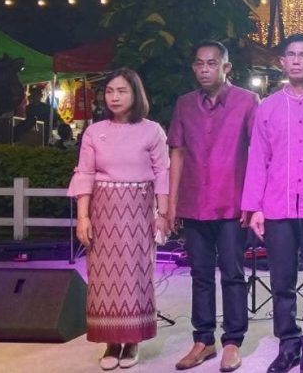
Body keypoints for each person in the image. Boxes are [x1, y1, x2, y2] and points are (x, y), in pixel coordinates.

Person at [243, 34, 303, 373]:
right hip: (277, 206)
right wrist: (254, 207)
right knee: (281, 279)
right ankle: (288, 344)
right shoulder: (267, 107)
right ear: (282, 62)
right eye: (291, 55)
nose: (297, 60)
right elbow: (258, 159)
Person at [68, 68, 170, 370]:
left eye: (122, 91)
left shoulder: (152, 130)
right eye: (110, 91)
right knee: (103, 277)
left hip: (139, 210)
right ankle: (111, 341)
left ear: (136, 94)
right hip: (103, 212)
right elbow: (84, 174)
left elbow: (162, 173)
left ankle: (133, 340)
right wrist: (83, 217)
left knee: (136, 274)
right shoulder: (94, 131)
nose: (114, 97)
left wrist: (163, 214)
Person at [168, 41, 260, 372]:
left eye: (211, 63)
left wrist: (254, 201)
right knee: (200, 274)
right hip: (194, 203)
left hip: (232, 203)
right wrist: (171, 204)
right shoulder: (184, 104)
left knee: (233, 274)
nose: (204, 69)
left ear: (226, 67)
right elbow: (177, 153)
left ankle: (232, 342)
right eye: (199, 63)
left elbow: (258, 152)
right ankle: (203, 340)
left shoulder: (247, 101)